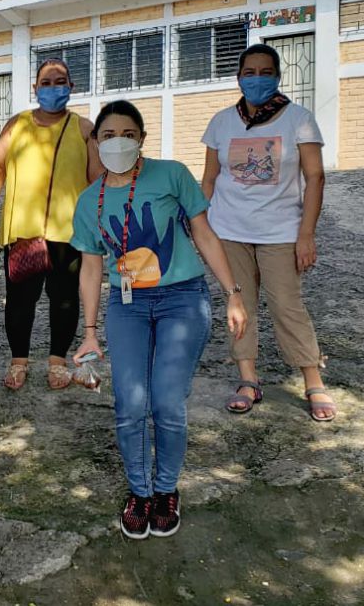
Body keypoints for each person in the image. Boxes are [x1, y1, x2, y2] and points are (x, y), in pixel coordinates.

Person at [71, 100, 248, 540]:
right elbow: (92, 267)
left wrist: (233, 294)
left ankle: (166, 490)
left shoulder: (171, 174)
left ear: (142, 139)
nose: (117, 143)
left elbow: (204, 233)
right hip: (127, 307)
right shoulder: (88, 201)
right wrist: (89, 332)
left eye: (127, 134)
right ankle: (140, 491)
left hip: (182, 300)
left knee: (167, 403)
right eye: (107, 136)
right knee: (130, 404)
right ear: (95, 143)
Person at [201, 44, 333, 421]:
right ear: (238, 77)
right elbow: (209, 179)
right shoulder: (222, 122)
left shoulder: (299, 119)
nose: (256, 79)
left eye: (265, 72)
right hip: (229, 230)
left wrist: (306, 234)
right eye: (249, 72)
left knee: (286, 304)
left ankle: (312, 380)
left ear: (277, 75)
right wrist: (199, 226)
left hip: (280, 231)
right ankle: (247, 378)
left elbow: (315, 177)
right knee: (238, 305)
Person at [0, 59, 101, 391]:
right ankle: (19, 361)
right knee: (20, 299)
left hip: (68, 233)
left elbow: (97, 178)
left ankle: (58, 362)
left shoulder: (83, 128)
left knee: (64, 298)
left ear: (72, 87)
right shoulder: (17, 125)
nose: (53, 88)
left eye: (61, 81)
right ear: (35, 88)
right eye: (46, 82)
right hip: (25, 233)